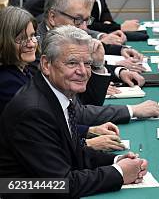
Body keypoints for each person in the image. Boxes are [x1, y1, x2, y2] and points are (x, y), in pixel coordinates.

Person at [0, 26, 150, 197]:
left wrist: (115, 161)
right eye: (72, 63)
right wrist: (119, 173)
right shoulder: (33, 111)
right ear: (46, 65)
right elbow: (60, 185)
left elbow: (72, 152)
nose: (83, 71)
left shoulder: (57, 92)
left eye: (87, 63)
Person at [0, 6, 159, 151]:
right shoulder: (8, 82)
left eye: (33, 36)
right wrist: (87, 143)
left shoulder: (22, 69)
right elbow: (40, 140)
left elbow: (59, 115)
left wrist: (87, 131)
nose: (31, 43)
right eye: (22, 39)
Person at [38, 0, 144, 105]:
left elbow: (91, 101)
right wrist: (131, 111)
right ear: (53, 17)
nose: (84, 28)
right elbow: (80, 108)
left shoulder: (67, 38)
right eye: (77, 20)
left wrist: (106, 68)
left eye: (86, 20)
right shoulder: (38, 48)